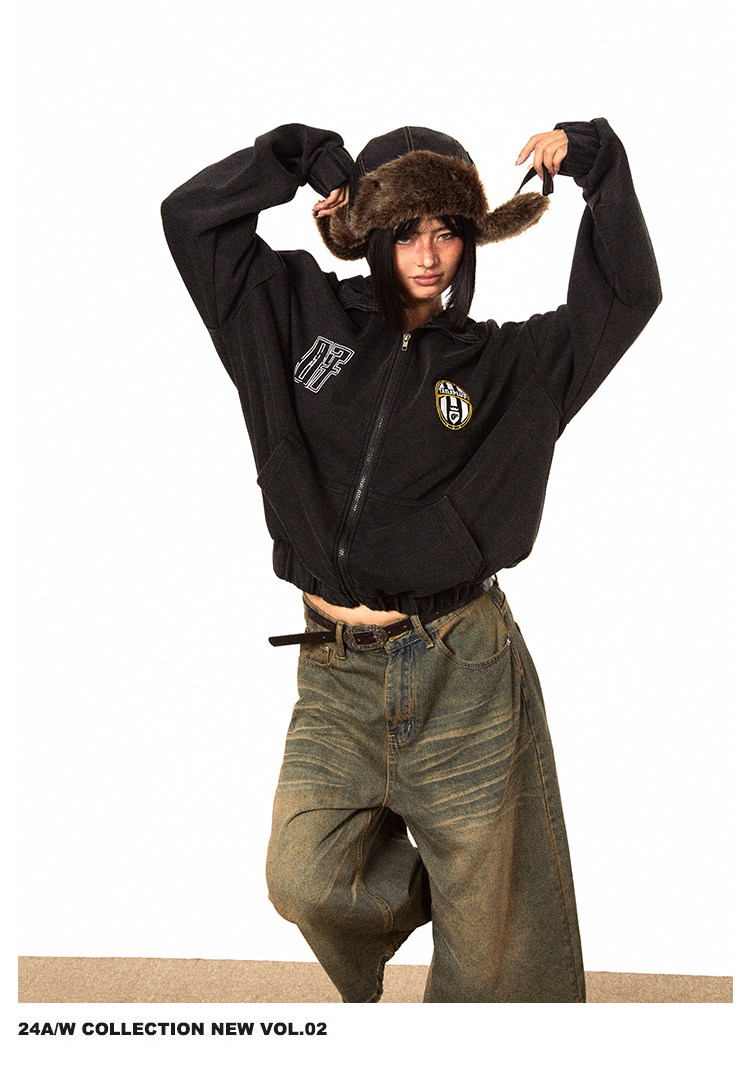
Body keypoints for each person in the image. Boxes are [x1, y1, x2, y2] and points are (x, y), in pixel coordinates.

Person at [161, 118, 661, 1003]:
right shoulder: (291, 311)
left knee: (495, 969)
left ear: (469, 238)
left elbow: (626, 296)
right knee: (304, 873)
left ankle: (486, 901)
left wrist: (595, 161)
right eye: (405, 233)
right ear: (370, 233)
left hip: (462, 669)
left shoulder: (505, 364)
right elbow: (190, 218)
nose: (429, 256)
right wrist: (301, 156)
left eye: (446, 232)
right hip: (336, 670)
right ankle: (475, 887)